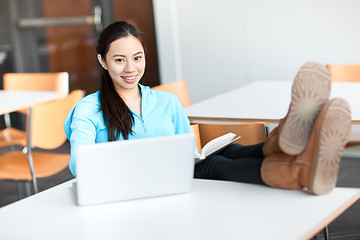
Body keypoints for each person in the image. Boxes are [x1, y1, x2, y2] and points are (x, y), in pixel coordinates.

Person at [64, 21, 351, 195]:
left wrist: (191, 155)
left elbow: (186, 148)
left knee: (228, 151)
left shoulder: (165, 101)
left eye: (137, 58)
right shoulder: (88, 110)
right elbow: (79, 163)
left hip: (178, 169)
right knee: (217, 165)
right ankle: (298, 166)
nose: (131, 68)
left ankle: (290, 145)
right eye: (119, 60)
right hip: (144, 183)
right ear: (103, 61)